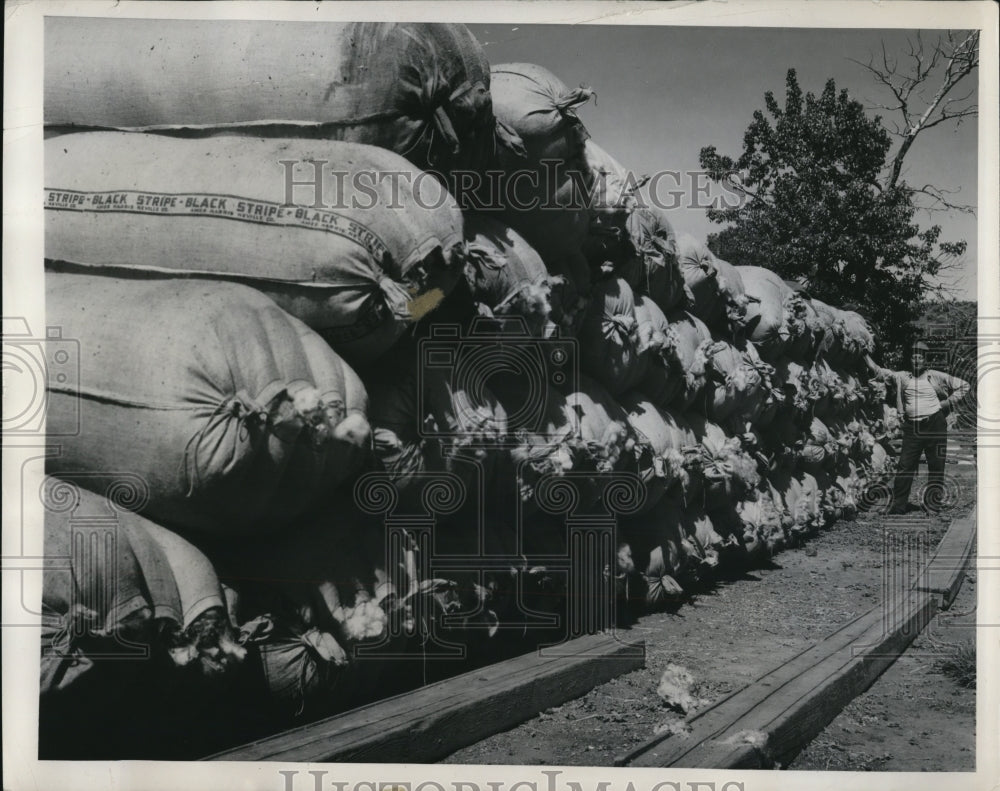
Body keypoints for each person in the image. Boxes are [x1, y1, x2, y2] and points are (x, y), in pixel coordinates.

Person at [864, 340, 970, 514]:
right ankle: (898, 506)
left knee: (936, 465)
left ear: (925, 360)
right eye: (913, 356)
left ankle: (932, 505)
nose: (916, 360)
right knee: (905, 465)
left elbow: (964, 385)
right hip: (913, 426)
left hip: (935, 423)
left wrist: (946, 403)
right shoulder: (903, 377)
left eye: (920, 357)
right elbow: (880, 372)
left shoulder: (935, 376)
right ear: (910, 359)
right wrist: (864, 355)